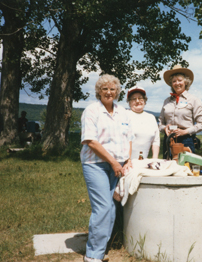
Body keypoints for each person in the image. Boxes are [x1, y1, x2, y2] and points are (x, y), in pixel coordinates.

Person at [80, 74, 134, 262]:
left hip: (117, 165)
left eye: (112, 89)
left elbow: (129, 139)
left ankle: (102, 248)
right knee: (102, 208)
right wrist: (113, 162)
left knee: (111, 208)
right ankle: (93, 255)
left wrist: (127, 160)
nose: (109, 92)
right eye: (105, 89)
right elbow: (90, 141)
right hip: (95, 164)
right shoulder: (92, 111)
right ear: (99, 92)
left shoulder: (123, 112)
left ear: (117, 92)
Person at [158, 65, 202, 158]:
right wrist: (165, 129)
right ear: (171, 84)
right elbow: (160, 124)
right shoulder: (167, 101)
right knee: (168, 168)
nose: (177, 83)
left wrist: (185, 131)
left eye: (180, 80)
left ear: (186, 82)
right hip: (168, 140)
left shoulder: (194, 100)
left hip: (186, 140)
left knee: (185, 169)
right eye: (174, 81)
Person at [126, 86, 160, 159]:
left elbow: (156, 141)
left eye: (140, 98)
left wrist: (154, 159)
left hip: (144, 162)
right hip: (125, 163)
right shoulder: (124, 115)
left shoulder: (151, 117)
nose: (138, 101)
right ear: (129, 102)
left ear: (145, 100)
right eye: (134, 99)